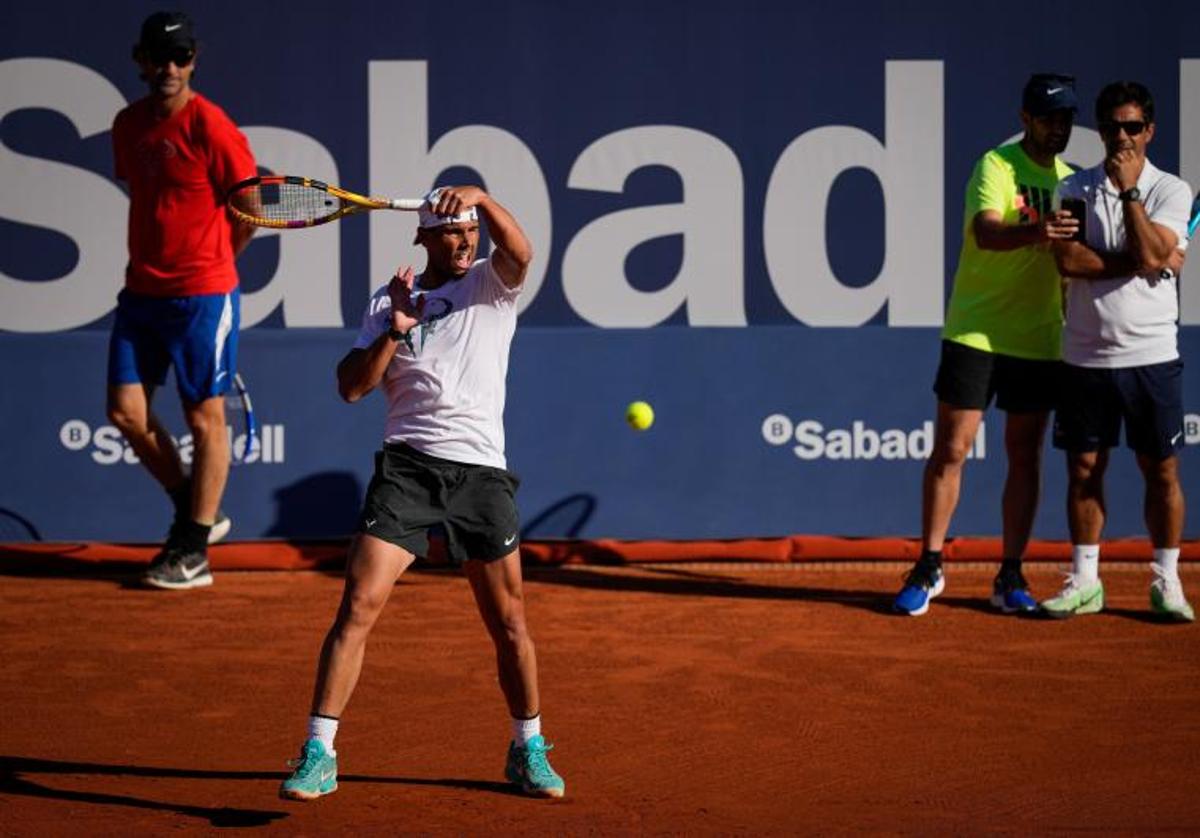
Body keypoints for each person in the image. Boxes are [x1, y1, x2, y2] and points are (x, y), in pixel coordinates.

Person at [279, 186, 565, 800]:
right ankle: (318, 753)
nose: (465, 242)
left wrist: (482, 198)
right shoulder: (389, 299)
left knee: (509, 622)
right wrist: (395, 328)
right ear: (424, 238)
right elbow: (351, 388)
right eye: (452, 232)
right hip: (407, 472)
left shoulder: (494, 282)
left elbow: (523, 249)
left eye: (471, 231)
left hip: (481, 476)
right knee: (357, 607)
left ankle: (529, 746)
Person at [893, 73, 1081, 616]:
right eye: (1048, 118)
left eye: (1066, 117)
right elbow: (988, 232)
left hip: (1038, 335)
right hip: (975, 331)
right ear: (1025, 119)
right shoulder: (996, 166)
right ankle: (929, 565)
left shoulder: (1073, 181)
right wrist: (1040, 230)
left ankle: (1010, 575)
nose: (1058, 127)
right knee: (952, 449)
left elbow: (1073, 269)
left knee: (1025, 455)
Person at [106, 11, 257, 590]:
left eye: (181, 57)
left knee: (204, 416)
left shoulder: (213, 127)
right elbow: (150, 199)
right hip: (141, 291)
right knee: (125, 412)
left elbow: (248, 209)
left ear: (194, 60)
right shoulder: (128, 126)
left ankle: (192, 551)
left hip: (202, 293)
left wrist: (217, 260)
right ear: (140, 60)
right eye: (159, 57)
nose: (170, 67)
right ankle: (197, 512)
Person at [1043, 81, 1192, 620]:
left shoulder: (1172, 191)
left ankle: (1166, 581)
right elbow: (1070, 264)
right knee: (1084, 470)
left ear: (1149, 131)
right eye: (1111, 127)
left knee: (1163, 473)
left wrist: (1130, 193)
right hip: (1085, 355)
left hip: (1151, 354)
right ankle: (1085, 581)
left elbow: (1151, 251)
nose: (1121, 137)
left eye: (1132, 127)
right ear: (1100, 131)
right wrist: (1146, 260)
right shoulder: (1074, 189)